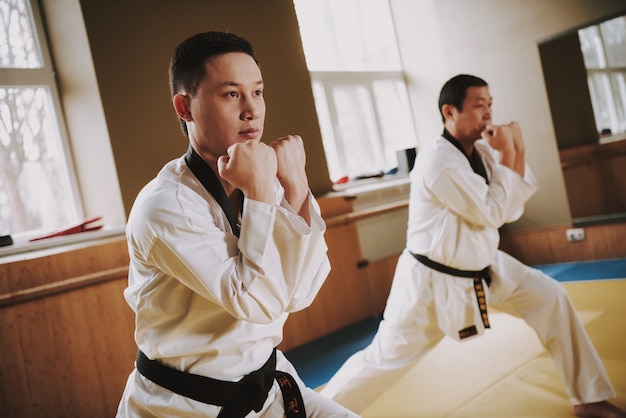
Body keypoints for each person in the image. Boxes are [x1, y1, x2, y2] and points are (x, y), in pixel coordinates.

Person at [321, 74, 626, 418]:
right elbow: (493, 211)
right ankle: (304, 413)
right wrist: (512, 149)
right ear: (449, 111)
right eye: (479, 106)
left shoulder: (480, 150)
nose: (487, 113)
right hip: (431, 284)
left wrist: (517, 149)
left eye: (490, 104)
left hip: (484, 264)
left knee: (552, 298)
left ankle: (588, 397)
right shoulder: (437, 161)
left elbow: (512, 206)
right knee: (380, 362)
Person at [116, 31, 358, 418]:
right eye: (231, 94)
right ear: (185, 107)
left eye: (258, 92)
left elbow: (302, 293)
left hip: (269, 385)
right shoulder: (165, 206)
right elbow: (255, 302)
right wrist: (265, 190)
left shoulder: (262, 176)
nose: (252, 110)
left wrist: (295, 188)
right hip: (188, 406)